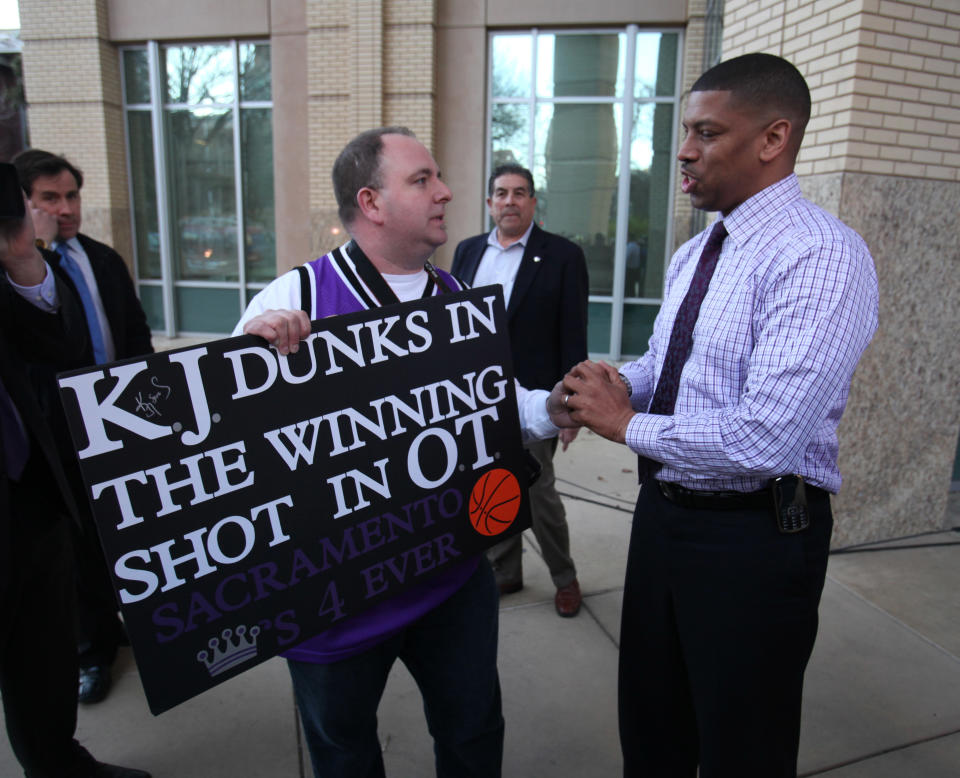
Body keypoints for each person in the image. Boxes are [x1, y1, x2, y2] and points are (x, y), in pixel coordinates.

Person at [551, 53, 879, 777]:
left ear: (773, 138)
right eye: (684, 132)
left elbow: (765, 438)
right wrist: (599, 383)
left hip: (757, 540)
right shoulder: (699, 250)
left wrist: (624, 423)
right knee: (653, 726)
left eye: (706, 132)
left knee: (742, 747)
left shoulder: (821, 256)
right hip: (666, 517)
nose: (685, 152)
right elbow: (673, 367)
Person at [234, 127, 559, 778]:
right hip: (336, 603)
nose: (445, 192)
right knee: (344, 753)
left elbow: (493, 402)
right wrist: (249, 359)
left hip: (450, 576)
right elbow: (227, 443)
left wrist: (550, 407)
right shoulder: (291, 300)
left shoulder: (458, 304)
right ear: (372, 202)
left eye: (437, 177)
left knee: (472, 732)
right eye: (422, 180)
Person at [0, 163, 151, 778]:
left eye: (71, 196)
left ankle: (57, 758)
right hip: (53, 438)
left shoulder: (94, 260)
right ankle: (93, 650)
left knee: (65, 592)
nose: (63, 209)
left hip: (39, 481)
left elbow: (70, 338)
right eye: (48, 198)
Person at [452, 164, 588, 616]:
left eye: (519, 193)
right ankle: (506, 570)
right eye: (501, 193)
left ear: (532, 202)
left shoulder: (563, 256)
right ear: (490, 202)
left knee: (538, 490)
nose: (509, 201)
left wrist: (573, 403)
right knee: (491, 484)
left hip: (536, 398)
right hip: (476, 393)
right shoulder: (468, 251)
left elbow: (573, 333)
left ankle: (564, 577)